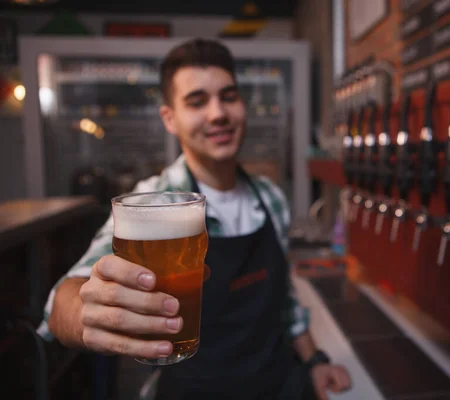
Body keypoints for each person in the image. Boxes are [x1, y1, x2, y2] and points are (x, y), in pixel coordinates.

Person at [37, 38, 352, 400]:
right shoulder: (152, 204)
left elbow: (285, 302)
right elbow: (59, 302)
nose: (218, 113)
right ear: (169, 118)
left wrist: (315, 362)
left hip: (278, 385)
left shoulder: (271, 198)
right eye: (197, 101)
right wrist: (86, 312)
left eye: (229, 96)